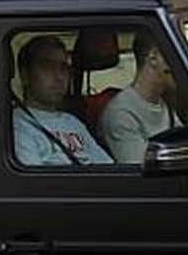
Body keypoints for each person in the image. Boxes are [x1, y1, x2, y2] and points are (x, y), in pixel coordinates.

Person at [12, 35, 113, 166]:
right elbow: (33, 183)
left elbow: (107, 168)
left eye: (64, 68)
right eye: (47, 67)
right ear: (25, 75)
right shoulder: (18, 125)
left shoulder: (72, 122)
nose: (59, 77)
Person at [101, 35, 177, 164]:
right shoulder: (121, 113)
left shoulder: (165, 105)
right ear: (154, 57)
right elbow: (141, 172)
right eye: (175, 54)